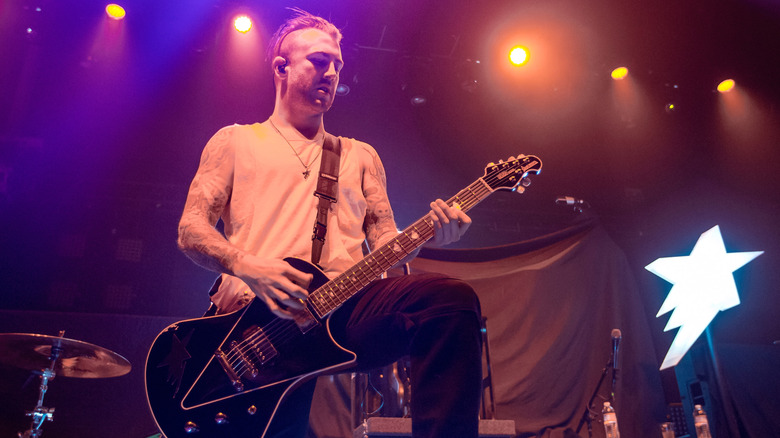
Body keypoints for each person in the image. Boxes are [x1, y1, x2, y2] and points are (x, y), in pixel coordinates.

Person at [176, 8, 483, 438]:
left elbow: (386, 243)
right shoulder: (235, 141)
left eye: (338, 65)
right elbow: (191, 230)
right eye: (320, 61)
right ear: (281, 67)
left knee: (449, 300)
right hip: (253, 326)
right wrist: (249, 267)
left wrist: (435, 232)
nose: (332, 73)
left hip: (342, 307)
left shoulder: (360, 156)